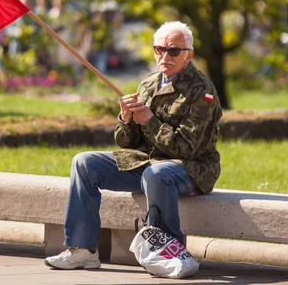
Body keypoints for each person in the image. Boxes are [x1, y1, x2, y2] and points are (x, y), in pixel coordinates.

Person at [45, 21, 223, 270]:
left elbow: (189, 148)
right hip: (148, 162)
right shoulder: (149, 84)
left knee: (157, 174)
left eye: (174, 51)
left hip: (192, 168)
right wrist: (126, 119)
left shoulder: (202, 91)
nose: (165, 56)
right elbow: (127, 143)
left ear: (189, 55)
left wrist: (149, 122)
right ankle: (82, 249)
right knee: (84, 163)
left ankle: (169, 252)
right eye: (160, 49)